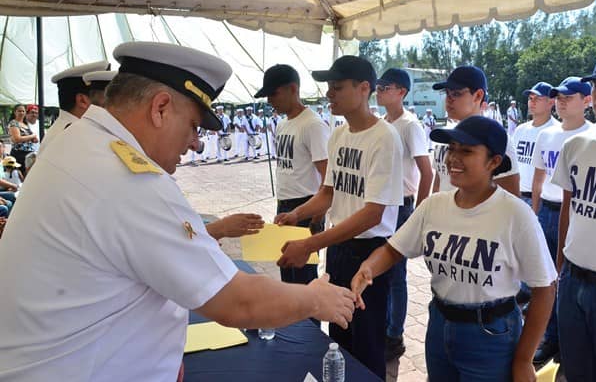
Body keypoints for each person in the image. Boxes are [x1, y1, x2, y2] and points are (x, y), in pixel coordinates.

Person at [0, 42, 356, 381]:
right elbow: (238, 303)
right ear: (160, 107)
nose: (195, 144)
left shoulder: (79, 142)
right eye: (193, 126)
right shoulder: (129, 179)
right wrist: (314, 298)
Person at [352, 116, 557, 382]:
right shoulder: (433, 206)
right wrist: (368, 267)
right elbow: (393, 250)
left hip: (491, 335)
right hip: (439, 325)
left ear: (494, 162)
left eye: (467, 151)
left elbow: (545, 289)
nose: (453, 158)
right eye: (451, 149)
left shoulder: (515, 214)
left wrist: (523, 359)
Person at [275, 55, 403, 379]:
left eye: (337, 88)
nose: (330, 95)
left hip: (369, 253)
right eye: (329, 88)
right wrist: (297, 214)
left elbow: (372, 215)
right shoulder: (338, 135)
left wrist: (311, 243)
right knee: (339, 336)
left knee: (367, 340)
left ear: (363, 89)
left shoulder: (384, 138)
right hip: (339, 248)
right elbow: (328, 193)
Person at [552, 51, 596, 382]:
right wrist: (561, 269)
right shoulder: (576, 145)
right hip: (572, 279)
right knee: (576, 371)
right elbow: (568, 208)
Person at [530, 76, 593, 365]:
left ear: (587, 101)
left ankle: (571, 343)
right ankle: (549, 337)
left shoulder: (593, 137)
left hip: (577, 216)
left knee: (568, 281)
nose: (562, 101)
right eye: (559, 96)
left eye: (570, 96)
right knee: (545, 279)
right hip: (547, 213)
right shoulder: (547, 135)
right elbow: (539, 177)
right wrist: (534, 211)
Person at [376, 67, 434, 360]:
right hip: (381, 206)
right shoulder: (382, 123)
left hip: (401, 206)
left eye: (385, 87)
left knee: (396, 275)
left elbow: (427, 172)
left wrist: (418, 216)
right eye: (378, 86)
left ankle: (394, 335)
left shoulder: (410, 125)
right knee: (381, 270)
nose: (379, 91)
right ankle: (385, 325)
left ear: (401, 92)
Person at [254, 64, 330, 285]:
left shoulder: (313, 125)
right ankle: (294, 320)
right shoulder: (283, 125)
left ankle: (308, 321)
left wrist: (316, 221)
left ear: (293, 89)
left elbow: (327, 178)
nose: (270, 101)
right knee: (287, 273)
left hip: (307, 206)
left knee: (303, 277)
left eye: (274, 94)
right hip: (286, 206)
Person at [431, 66, 520, 196]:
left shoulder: (496, 140)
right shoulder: (444, 136)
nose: (448, 100)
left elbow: (510, 200)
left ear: (478, 96)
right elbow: (439, 184)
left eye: (456, 93)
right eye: (447, 93)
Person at [38, 61, 110, 156]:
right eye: (107, 100)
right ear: (82, 100)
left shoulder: (68, 130)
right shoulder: (73, 135)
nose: (110, 106)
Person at [513, 82, 559, 206]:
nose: (532, 102)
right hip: (517, 195)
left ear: (551, 102)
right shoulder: (520, 130)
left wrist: (536, 204)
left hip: (542, 199)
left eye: (538, 99)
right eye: (530, 98)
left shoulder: (557, 131)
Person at [8, 104, 37, 175]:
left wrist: (34, 139)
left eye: (23, 111)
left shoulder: (25, 124)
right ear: (15, 112)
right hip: (19, 154)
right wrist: (32, 136)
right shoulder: (13, 123)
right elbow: (16, 139)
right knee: (23, 176)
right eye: (19, 111)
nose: (21, 113)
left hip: (29, 154)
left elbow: (30, 138)